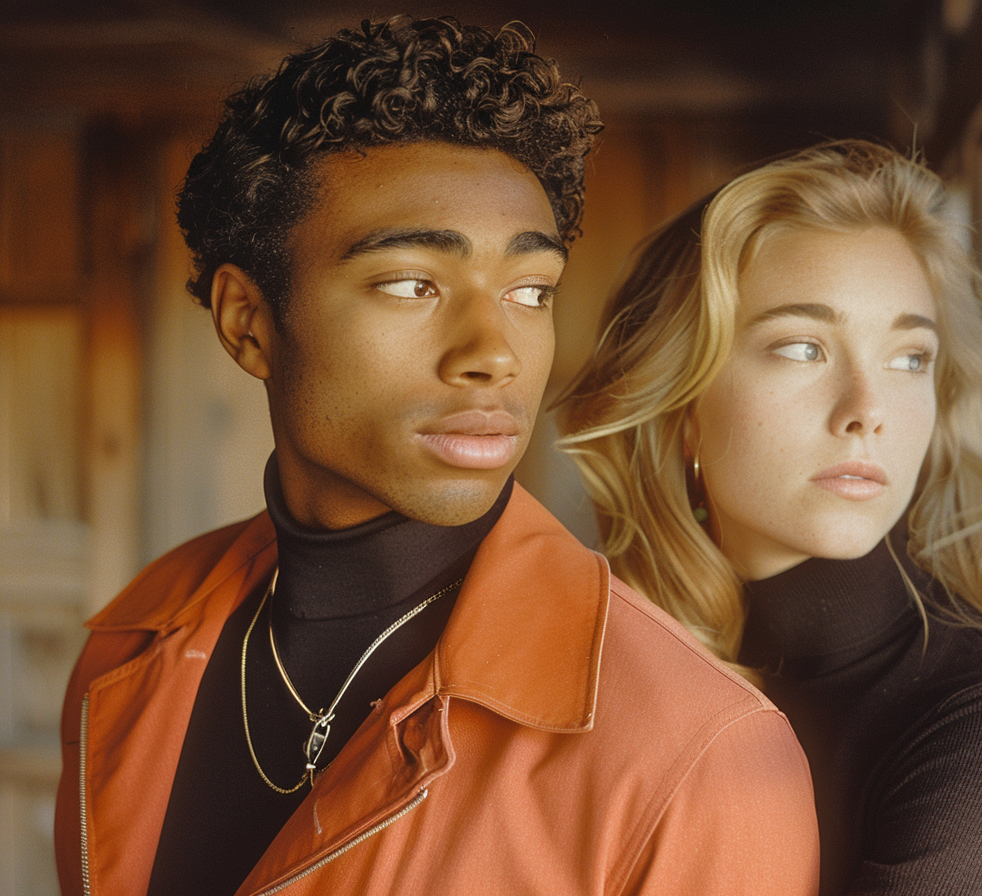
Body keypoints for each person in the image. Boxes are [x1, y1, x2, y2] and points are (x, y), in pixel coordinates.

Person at [54, 17, 818, 896]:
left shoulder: (700, 758)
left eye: (530, 290)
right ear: (248, 321)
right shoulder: (126, 648)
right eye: (413, 283)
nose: (495, 352)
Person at [558, 140, 982, 895]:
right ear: (682, 408)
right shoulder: (605, 673)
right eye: (803, 347)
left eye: (910, 358)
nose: (867, 412)